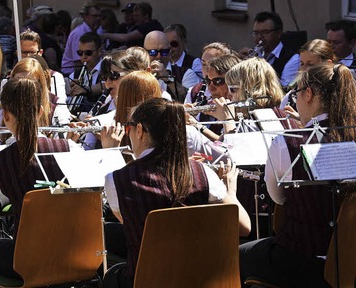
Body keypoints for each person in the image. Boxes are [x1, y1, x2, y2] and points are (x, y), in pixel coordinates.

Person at [103, 98, 251, 288]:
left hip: (148, 280)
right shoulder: (203, 173)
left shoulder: (115, 180)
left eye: (130, 128)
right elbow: (244, 227)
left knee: (112, 273)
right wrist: (231, 192)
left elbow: (132, 226)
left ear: (139, 130)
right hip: (201, 279)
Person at [240, 63, 356, 287]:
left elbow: (278, 199)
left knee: (235, 256)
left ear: (309, 94)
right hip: (352, 258)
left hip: (303, 259)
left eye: (296, 95)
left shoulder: (288, 142)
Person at [0, 77, 81, 278]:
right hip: (72, 252)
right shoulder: (69, 149)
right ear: (40, 111)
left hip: (27, 257)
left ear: (6, 116)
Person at [280, 39, 336, 111]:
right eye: (302, 63)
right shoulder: (293, 94)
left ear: (328, 64)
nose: (303, 69)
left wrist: (300, 120)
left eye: (310, 64)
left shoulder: (336, 92)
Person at [251, 11, 300, 87]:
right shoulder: (253, 54)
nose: (259, 37)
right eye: (256, 33)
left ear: (279, 33)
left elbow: (284, 89)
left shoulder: (293, 59)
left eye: (265, 32)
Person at [61, 2, 100, 75]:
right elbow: (79, 62)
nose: (98, 18)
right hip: (72, 75)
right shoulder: (79, 33)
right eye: (94, 16)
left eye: (99, 16)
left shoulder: (93, 30)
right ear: (85, 16)